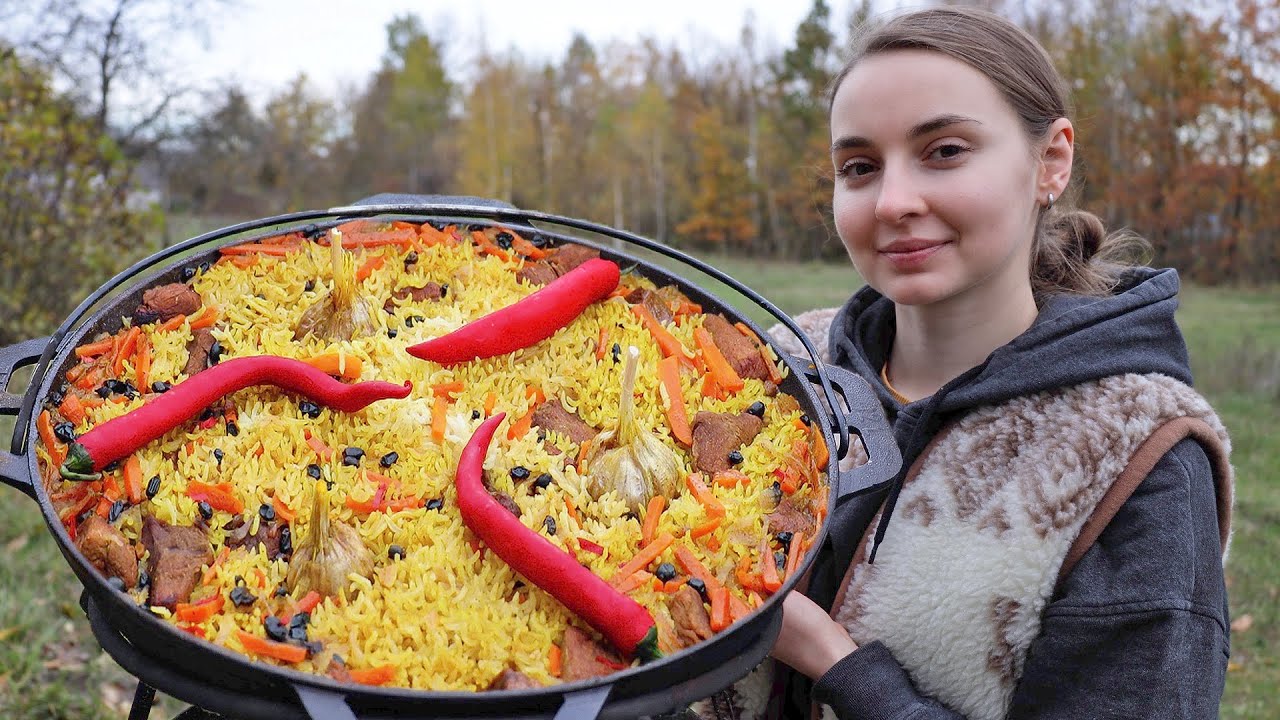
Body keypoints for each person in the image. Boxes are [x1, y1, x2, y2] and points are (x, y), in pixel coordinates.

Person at [692, 6, 1234, 720]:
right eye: (859, 167)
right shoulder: (782, 368)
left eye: (944, 151)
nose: (893, 201)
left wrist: (840, 667)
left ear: (1052, 160)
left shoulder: (1136, 457)